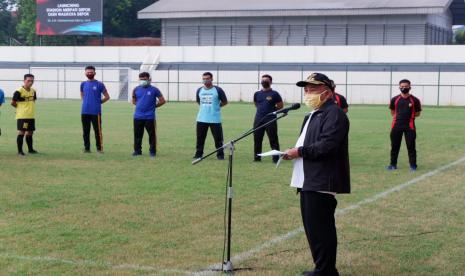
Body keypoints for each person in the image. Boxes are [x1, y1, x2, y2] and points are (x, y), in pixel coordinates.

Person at [283, 73, 350, 276]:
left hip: (322, 180)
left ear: (327, 92)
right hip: (307, 179)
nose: (308, 93)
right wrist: (293, 152)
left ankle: (326, 271)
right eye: (306, 89)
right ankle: (322, 268)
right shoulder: (312, 114)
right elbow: (307, 144)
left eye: (313, 88)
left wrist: (299, 152)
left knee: (321, 229)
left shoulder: (335, 114)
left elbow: (327, 145)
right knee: (313, 229)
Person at [387, 79, 422, 171]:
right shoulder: (395, 99)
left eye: (406, 86)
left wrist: (410, 117)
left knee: (411, 147)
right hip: (396, 126)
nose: (404, 88)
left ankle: (413, 165)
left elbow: (418, 113)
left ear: (410, 87)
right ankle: (393, 164)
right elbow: (392, 111)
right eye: (402, 87)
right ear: (399, 87)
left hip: (409, 126)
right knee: (394, 146)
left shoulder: (415, 100)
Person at [193, 72, 228, 160]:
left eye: (207, 78)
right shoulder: (199, 90)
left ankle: (220, 155)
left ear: (212, 79)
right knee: (200, 138)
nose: (205, 80)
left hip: (215, 119)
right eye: (204, 79)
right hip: (201, 118)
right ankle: (198, 154)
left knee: (218, 139)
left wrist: (216, 106)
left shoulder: (218, 90)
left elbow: (225, 102)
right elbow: (198, 101)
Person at [132, 72, 166, 157]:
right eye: (141, 79)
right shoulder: (136, 89)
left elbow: (162, 101)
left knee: (152, 135)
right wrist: (140, 105)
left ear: (149, 79)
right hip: (137, 116)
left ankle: (152, 151)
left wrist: (154, 106)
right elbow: (134, 101)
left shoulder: (154, 89)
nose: (143, 81)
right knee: (137, 135)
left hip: (149, 117)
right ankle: (137, 151)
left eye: (145, 79)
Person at [253, 74, 283, 163]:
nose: (264, 82)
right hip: (258, 119)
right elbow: (256, 104)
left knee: (273, 139)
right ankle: (257, 158)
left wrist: (272, 111)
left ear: (271, 82)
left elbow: (280, 106)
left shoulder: (275, 94)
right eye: (263, 80)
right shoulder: (257, 93)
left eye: (266, 80)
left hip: (271, 119)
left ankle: (276, 158)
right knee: (257, 139)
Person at [80, 66, 110, 153]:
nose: (89, 73)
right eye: (88, 72)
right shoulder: (83, 84)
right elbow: (82, 94)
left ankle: (99, 149)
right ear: (85, 73)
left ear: (95, 73)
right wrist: (85, 101)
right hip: (85, 111)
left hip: (95, 112)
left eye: (91, 72)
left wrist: (98, 102)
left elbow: (107, 97)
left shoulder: (100, 84)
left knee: (98, 131)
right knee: (85, 131)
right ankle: (87, 148)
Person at [11, 74, 39, 155]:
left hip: (31, 115)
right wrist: (19, 109)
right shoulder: (18, 91)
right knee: (22, 132)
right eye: (28, 81)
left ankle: (30, 149)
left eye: (32, 81)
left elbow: (33, 101)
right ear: (24, 81)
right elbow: (13, 103)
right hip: (23, 116)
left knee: (30, 132)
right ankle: (20, 151)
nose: (30, 82)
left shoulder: (33, 91)